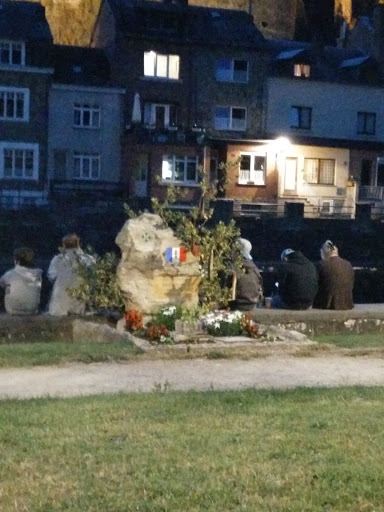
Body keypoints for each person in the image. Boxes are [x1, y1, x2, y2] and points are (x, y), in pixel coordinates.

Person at [47, 234, 95, 316]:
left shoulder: (57, 260)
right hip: (81, 304)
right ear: (79, 244)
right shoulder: (89, 259)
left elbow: (51, 277)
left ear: (64, 245)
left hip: (60, 307)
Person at [0, 247, 42, 315]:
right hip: (33, 310)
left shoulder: (10, 274)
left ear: (17, 261)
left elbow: (1, 284)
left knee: (7, 286)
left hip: (13, 310)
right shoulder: (38, 274)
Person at [314, 240, 354, 310]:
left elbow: (314, 285)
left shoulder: (320, 265)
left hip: (326, 304)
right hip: (346, 304)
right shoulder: (348, 264)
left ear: (324, 252)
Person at [230, 237, 263, 311]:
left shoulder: (233, 267)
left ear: (237, 251)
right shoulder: (255, 268)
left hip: (236, 304)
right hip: (253, 304)